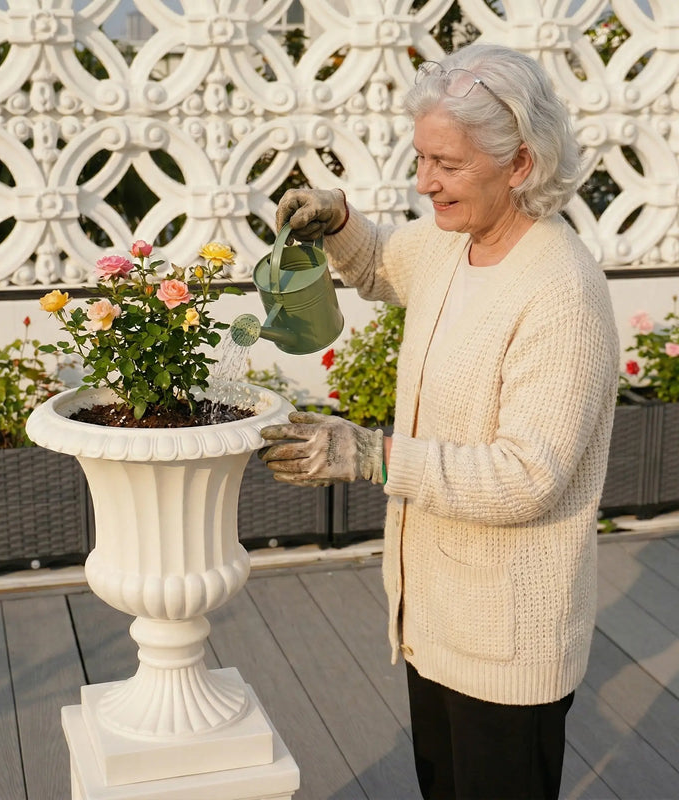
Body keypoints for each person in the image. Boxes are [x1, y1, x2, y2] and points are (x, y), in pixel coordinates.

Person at [259, 43, 619, 800]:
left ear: (520, 163)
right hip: (434, 620)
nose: (425, 183)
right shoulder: (458, 245)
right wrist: (342, 223)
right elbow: (388, 260)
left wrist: (373, 455)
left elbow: (530, 477)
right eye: (422, 158)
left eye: (447, 165)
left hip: (507, 641)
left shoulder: (561, 292)